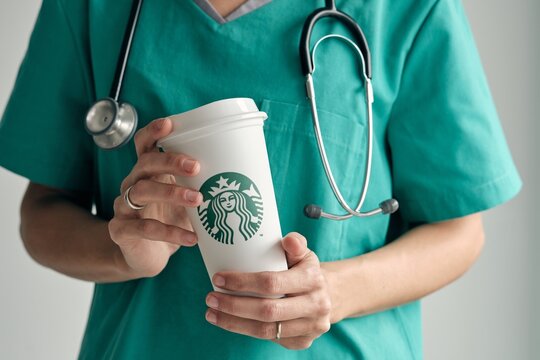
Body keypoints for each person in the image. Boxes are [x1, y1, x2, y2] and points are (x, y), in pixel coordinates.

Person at [0, 0, 521, 359]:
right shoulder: (91, 7)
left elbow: (459, 231)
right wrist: (122, 249)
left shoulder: (407, 9)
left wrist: (331, 293)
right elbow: (42, 213)